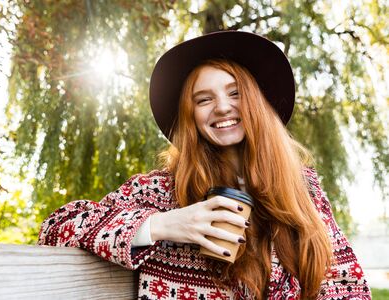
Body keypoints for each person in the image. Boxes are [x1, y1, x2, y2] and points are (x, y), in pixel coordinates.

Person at [38, 31, 371, 299]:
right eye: (204, 99)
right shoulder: (160, 191)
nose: (222, 107)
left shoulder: (304, 188)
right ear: (191, 116)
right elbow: (57, 228)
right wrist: (162, 225)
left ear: (256, 102)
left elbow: (346, 286)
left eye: (235, 93)